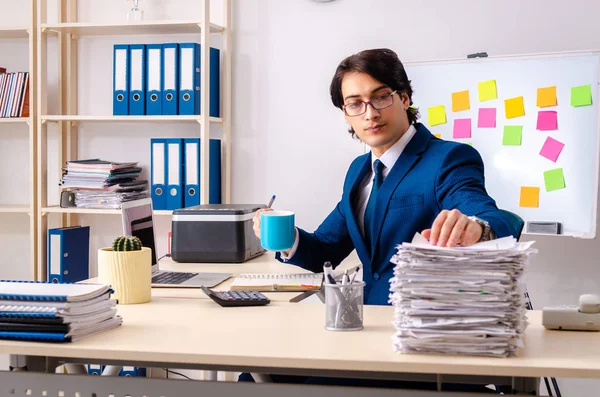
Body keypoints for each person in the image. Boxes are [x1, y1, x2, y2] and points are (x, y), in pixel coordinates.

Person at [240, 48, 519, 392]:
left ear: (404, 98)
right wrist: (285, 238)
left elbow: (486, 213)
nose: (369, 113)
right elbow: (325, 248)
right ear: (346, 114)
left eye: (380, 98)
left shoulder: (448, 159)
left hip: (419, 341)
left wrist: (476, 226)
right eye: (355, 103)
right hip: (366, 329)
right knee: (253, 373)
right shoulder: (359, 171)